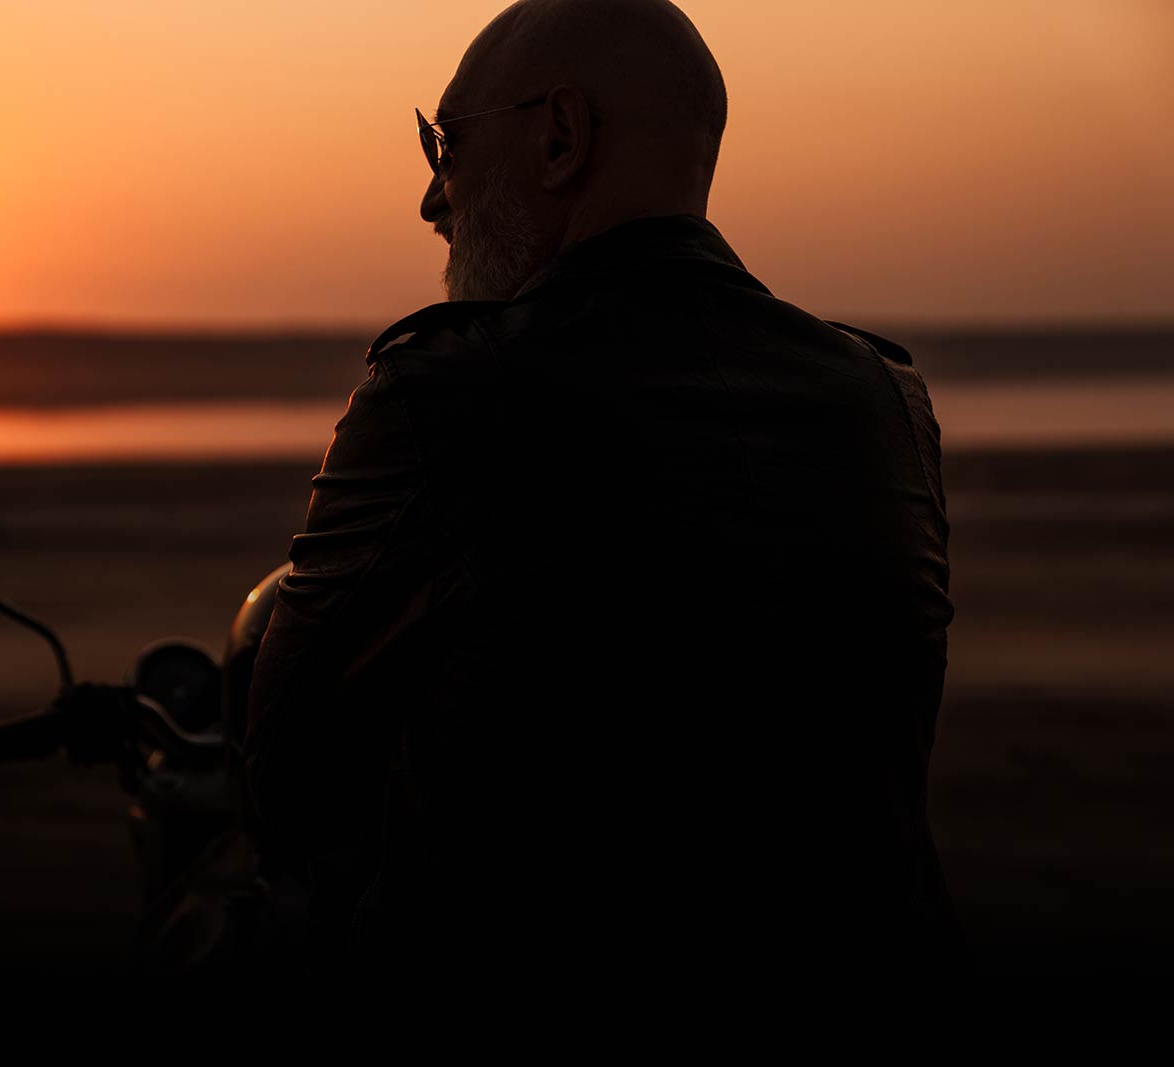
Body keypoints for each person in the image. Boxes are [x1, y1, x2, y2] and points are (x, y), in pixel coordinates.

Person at [243, 0, 958, 978]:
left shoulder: (449, 391)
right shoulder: (883, 398)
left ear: (561, 137)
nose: (432, 201)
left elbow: (286, 773)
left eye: (445, 145)